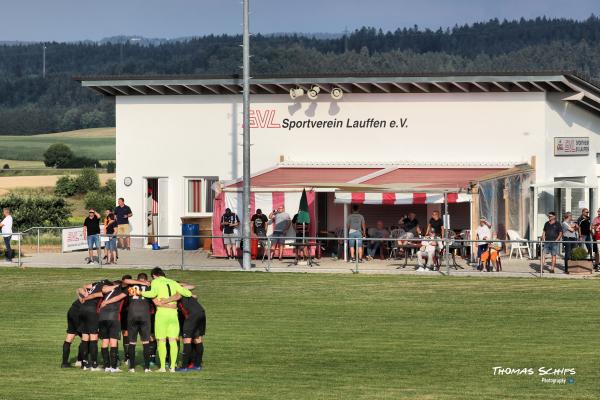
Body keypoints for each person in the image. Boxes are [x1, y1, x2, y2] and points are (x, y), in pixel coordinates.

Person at [140, 267, 192, 373]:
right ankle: (172, 367)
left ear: (154, 275)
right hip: (173, 314)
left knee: (162, 341)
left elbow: (152, 293)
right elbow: (188, 293)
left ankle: (163, 367)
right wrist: (173, 298)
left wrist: (140, 293)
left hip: (162, 314)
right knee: (173, 340)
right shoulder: (173, 282)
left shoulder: (155, 281)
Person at [158, 283, 207, 372]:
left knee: (186, 340)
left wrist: (165, 300)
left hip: (192, 315)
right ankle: (197, 365)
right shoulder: (187, 293)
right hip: (201, 312)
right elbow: (194, 292)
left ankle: (184, 367)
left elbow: (178, 296)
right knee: (197, 338)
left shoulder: (179, 292)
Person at [123, 273, 153, 373]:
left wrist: (137, 282)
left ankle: (132, 367)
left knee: (132, 342)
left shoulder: (132, 286)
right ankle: (147, 368)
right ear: (146, 279)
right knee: (146, 342)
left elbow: (125, 281)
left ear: (137, 278)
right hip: (145, 315)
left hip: (132, 315)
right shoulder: (149, 286)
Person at [78, 279, 110, 370]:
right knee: (93, 337)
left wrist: (84, 294)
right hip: (92, 311)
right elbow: (99, 294)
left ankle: (84, 364)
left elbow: (83, 286)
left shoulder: (96, 285)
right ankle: (94, 364)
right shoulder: (105, 287)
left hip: (82, 310)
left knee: (85, 337)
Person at [98, 281, 127, 372]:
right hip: (113, 316)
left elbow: (103, 289)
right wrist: (107, 302)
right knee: (113, 342)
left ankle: (107, 366)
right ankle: (114, 367)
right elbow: (118, 297)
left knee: (105, 341)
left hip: (102, 316)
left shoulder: (108, 290)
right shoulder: (123, 290)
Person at [61, 291, 85, 368]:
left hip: (72, 311)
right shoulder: (101, 291)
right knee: (86, 338)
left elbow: (78, 289)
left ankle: (64, 363)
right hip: (79, 313)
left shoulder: (93, 287)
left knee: (70, 336)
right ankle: (80, 361)